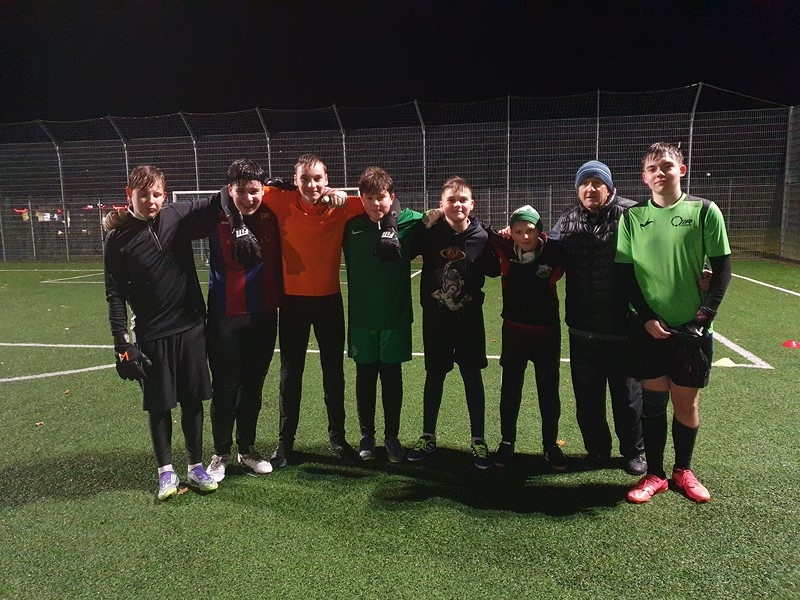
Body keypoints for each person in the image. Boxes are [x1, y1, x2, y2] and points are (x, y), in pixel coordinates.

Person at [244, 154, 401, 468]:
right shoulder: (280, 199)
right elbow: (232, 191)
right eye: (304, 178)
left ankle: (338, 438)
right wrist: (280, 186)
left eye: (317, 178)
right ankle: (285, 444)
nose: (311, 184)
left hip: (329, 301)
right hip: (293, 303)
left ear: (327, 180)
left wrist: (390, 228)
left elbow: (389, 202)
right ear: (295, 180)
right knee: (291, 375)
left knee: (334, 375)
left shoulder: (341, 205)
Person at [616, 142, 731, 504]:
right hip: (649, 329)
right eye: (652, 168)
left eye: (666, 166)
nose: (659, 173)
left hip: (691, 330)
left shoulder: (705, 211)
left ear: (681, 170)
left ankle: (683, 470)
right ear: (644, 177)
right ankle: (655, 475)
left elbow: (723, 269)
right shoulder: (632, 217)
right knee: (652, 405)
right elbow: (625, 275)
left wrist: (704, 316)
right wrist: (647, 317)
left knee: (686, 404)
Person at [104, 165, 218, 501]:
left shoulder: (176, 216)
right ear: (130, 195)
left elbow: (218, 201)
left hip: (191, 326)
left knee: (193, 400)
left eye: (157, 194)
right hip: (152, 333)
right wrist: (122, 343)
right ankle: (165, 472)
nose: (151, 201)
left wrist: (263, 188)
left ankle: (196, 466)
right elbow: (114, 294)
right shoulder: (117, 240)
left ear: (164, 195)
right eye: (144, 195)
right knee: (159, 404)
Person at [549, 161, 646, 476]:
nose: (590, 189)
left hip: (622, 329)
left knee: (627, 398)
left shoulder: (632, 214)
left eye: (597, 182)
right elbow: (544, 253)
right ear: (577, 189)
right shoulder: (566, 222)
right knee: (587, 399)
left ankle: (634, 452)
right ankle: (597, 450)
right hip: (582, 328)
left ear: (609, 186)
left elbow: (660, 250)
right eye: (584, 183)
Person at [406, 176, 497, 469]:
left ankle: (478, 440)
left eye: (462, 200)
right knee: (434, 376)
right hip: (436, 321)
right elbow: (406, 245)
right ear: (441, 204)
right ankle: (427, 436)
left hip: (470, 322)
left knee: (472, 377)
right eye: (451, 200)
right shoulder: (430, 231)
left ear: (472, 204)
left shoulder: (483, 235)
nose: (457, 204)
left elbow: (498, 266)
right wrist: (424, 219)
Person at [205, 159, 282, 482]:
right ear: (230, 190)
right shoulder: (213, 212)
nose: (249, 198)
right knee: (225, 386)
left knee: (253, 385)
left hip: (263, 314)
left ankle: (247, 449)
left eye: (255, 191)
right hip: (224, 316)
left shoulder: (273, 211)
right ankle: (220, 453)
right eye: (241, 191)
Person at [342, 166, 422, 463]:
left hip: (395, 317)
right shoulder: (350, 224)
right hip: (362, 319)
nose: (377, 203)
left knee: (391, 379)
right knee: (364, 378)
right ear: (360, 198)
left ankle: (392, 437)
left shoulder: (409, 222)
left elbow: (436, 218)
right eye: (370, 198)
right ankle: (367, 435)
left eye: (382, 197)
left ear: (392, 196)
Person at [489, 205, 568, 471]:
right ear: (511, 232)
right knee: (510, 389)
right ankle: (507, 442)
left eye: (530, 230)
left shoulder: (554, 251)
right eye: (519, 231)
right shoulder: (504, 247)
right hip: (514, 332)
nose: (525, 236)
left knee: (549, 391)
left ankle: (550, 445)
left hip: (547, 333)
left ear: (540, 232)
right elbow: (475, 227)